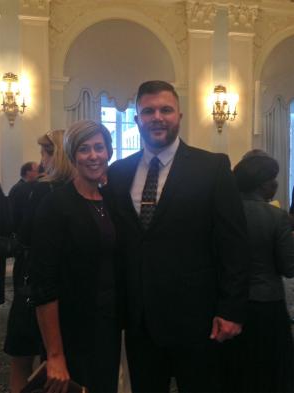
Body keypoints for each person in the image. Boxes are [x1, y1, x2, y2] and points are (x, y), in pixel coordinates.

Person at [107, 80, 249, 393]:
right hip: (140, 320)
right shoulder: (118, 173)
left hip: (198, 319)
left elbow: (234, 245)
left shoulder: (212, 167)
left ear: (179, 115)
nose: (157, 116)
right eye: (148, 111)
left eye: (165, 109)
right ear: (137, 120)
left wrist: (231, 309)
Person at [31, 120, 121, 393]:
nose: (93, 156)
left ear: (109, 152)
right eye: (84, 149)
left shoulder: (111, 201)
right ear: (72, 156)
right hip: (71, 329)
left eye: (99, 148)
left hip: (108, 326)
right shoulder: (56, 205)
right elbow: (44, 285)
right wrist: (55, 355)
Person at [4, 129, 73, 393]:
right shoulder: (83, 190)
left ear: (56, 154)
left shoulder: (41, 191)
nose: (42, 160)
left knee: (22, 360)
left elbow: (24, 235)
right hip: (66, 286)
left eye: (44, 152)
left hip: (32, 285)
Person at [232, 154, 294, 393]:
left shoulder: (226, 212)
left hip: (231, 304)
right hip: (268, 304)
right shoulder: (277, 217)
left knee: (239, 370)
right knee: (271, 372)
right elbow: (289, 268)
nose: (276, 184)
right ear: (261, 182)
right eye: (273, 179)